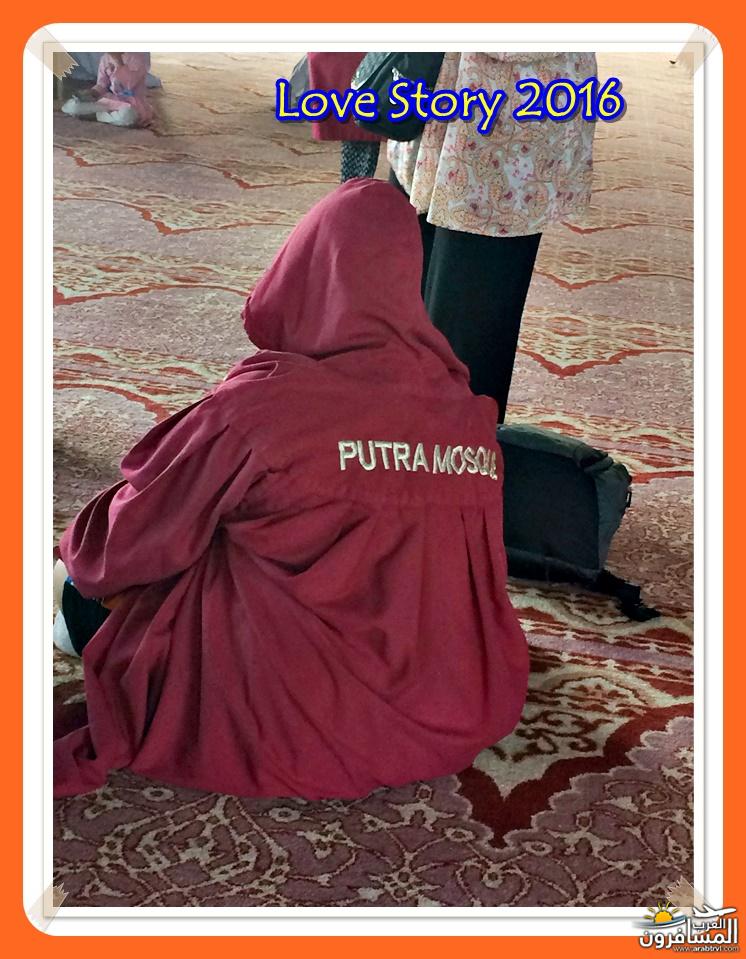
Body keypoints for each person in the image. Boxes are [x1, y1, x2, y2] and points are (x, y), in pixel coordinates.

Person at [53, 179, 529, 800]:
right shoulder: (468, 415)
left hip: (282, 721)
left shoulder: (261, 408)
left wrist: (75, 552)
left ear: (302, 265)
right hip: (454, 709)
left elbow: (126, 547)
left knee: (70, 582)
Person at [388, 52, 597, 422]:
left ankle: (452, 442)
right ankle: (410, 429)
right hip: (443, 101)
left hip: (505, 127)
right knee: (411, 293)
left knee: (470, 321)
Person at [61, 52, 155, 128]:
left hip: (131, 104)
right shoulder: (105, 58)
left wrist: (118, 62)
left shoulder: (137, 58)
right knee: (73, 106)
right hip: (110, 102)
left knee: (128, 116)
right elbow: (102, 85)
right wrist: (91, 93)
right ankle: (107, 116)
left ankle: (98, 116)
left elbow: (128, 86)